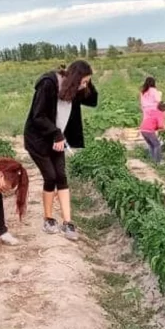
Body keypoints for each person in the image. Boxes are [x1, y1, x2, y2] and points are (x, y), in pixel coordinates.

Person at [23, 60, 98, 242]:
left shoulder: (74, 89)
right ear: (74, 79)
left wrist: (86, 80)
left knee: (61, 176)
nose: (84, 85)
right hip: (38, 139)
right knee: (50, 177)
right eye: (83, 81)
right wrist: (56, 134)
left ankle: (68, 221)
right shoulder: (48, 84)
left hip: (57, 139)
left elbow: (93, 101)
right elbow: (38, 116)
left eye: (86, 82)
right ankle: (48, 219)